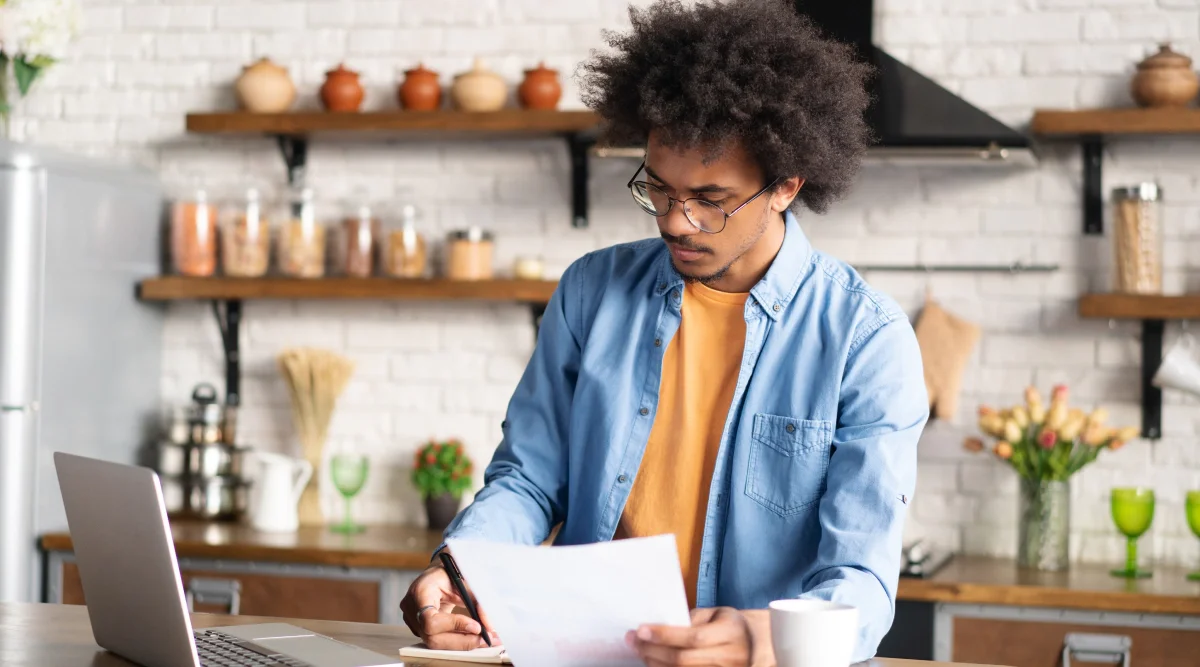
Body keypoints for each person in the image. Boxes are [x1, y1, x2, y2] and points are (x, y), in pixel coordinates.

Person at [400, 1, 927, 665]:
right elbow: (530, 479)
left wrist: (760, 638)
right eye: (658, 188)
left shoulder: (864, 339)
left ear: (786, 186)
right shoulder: (591, 292)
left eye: (710, 199)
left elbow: (863, 578)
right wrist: (460, 570)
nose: (676, 221)